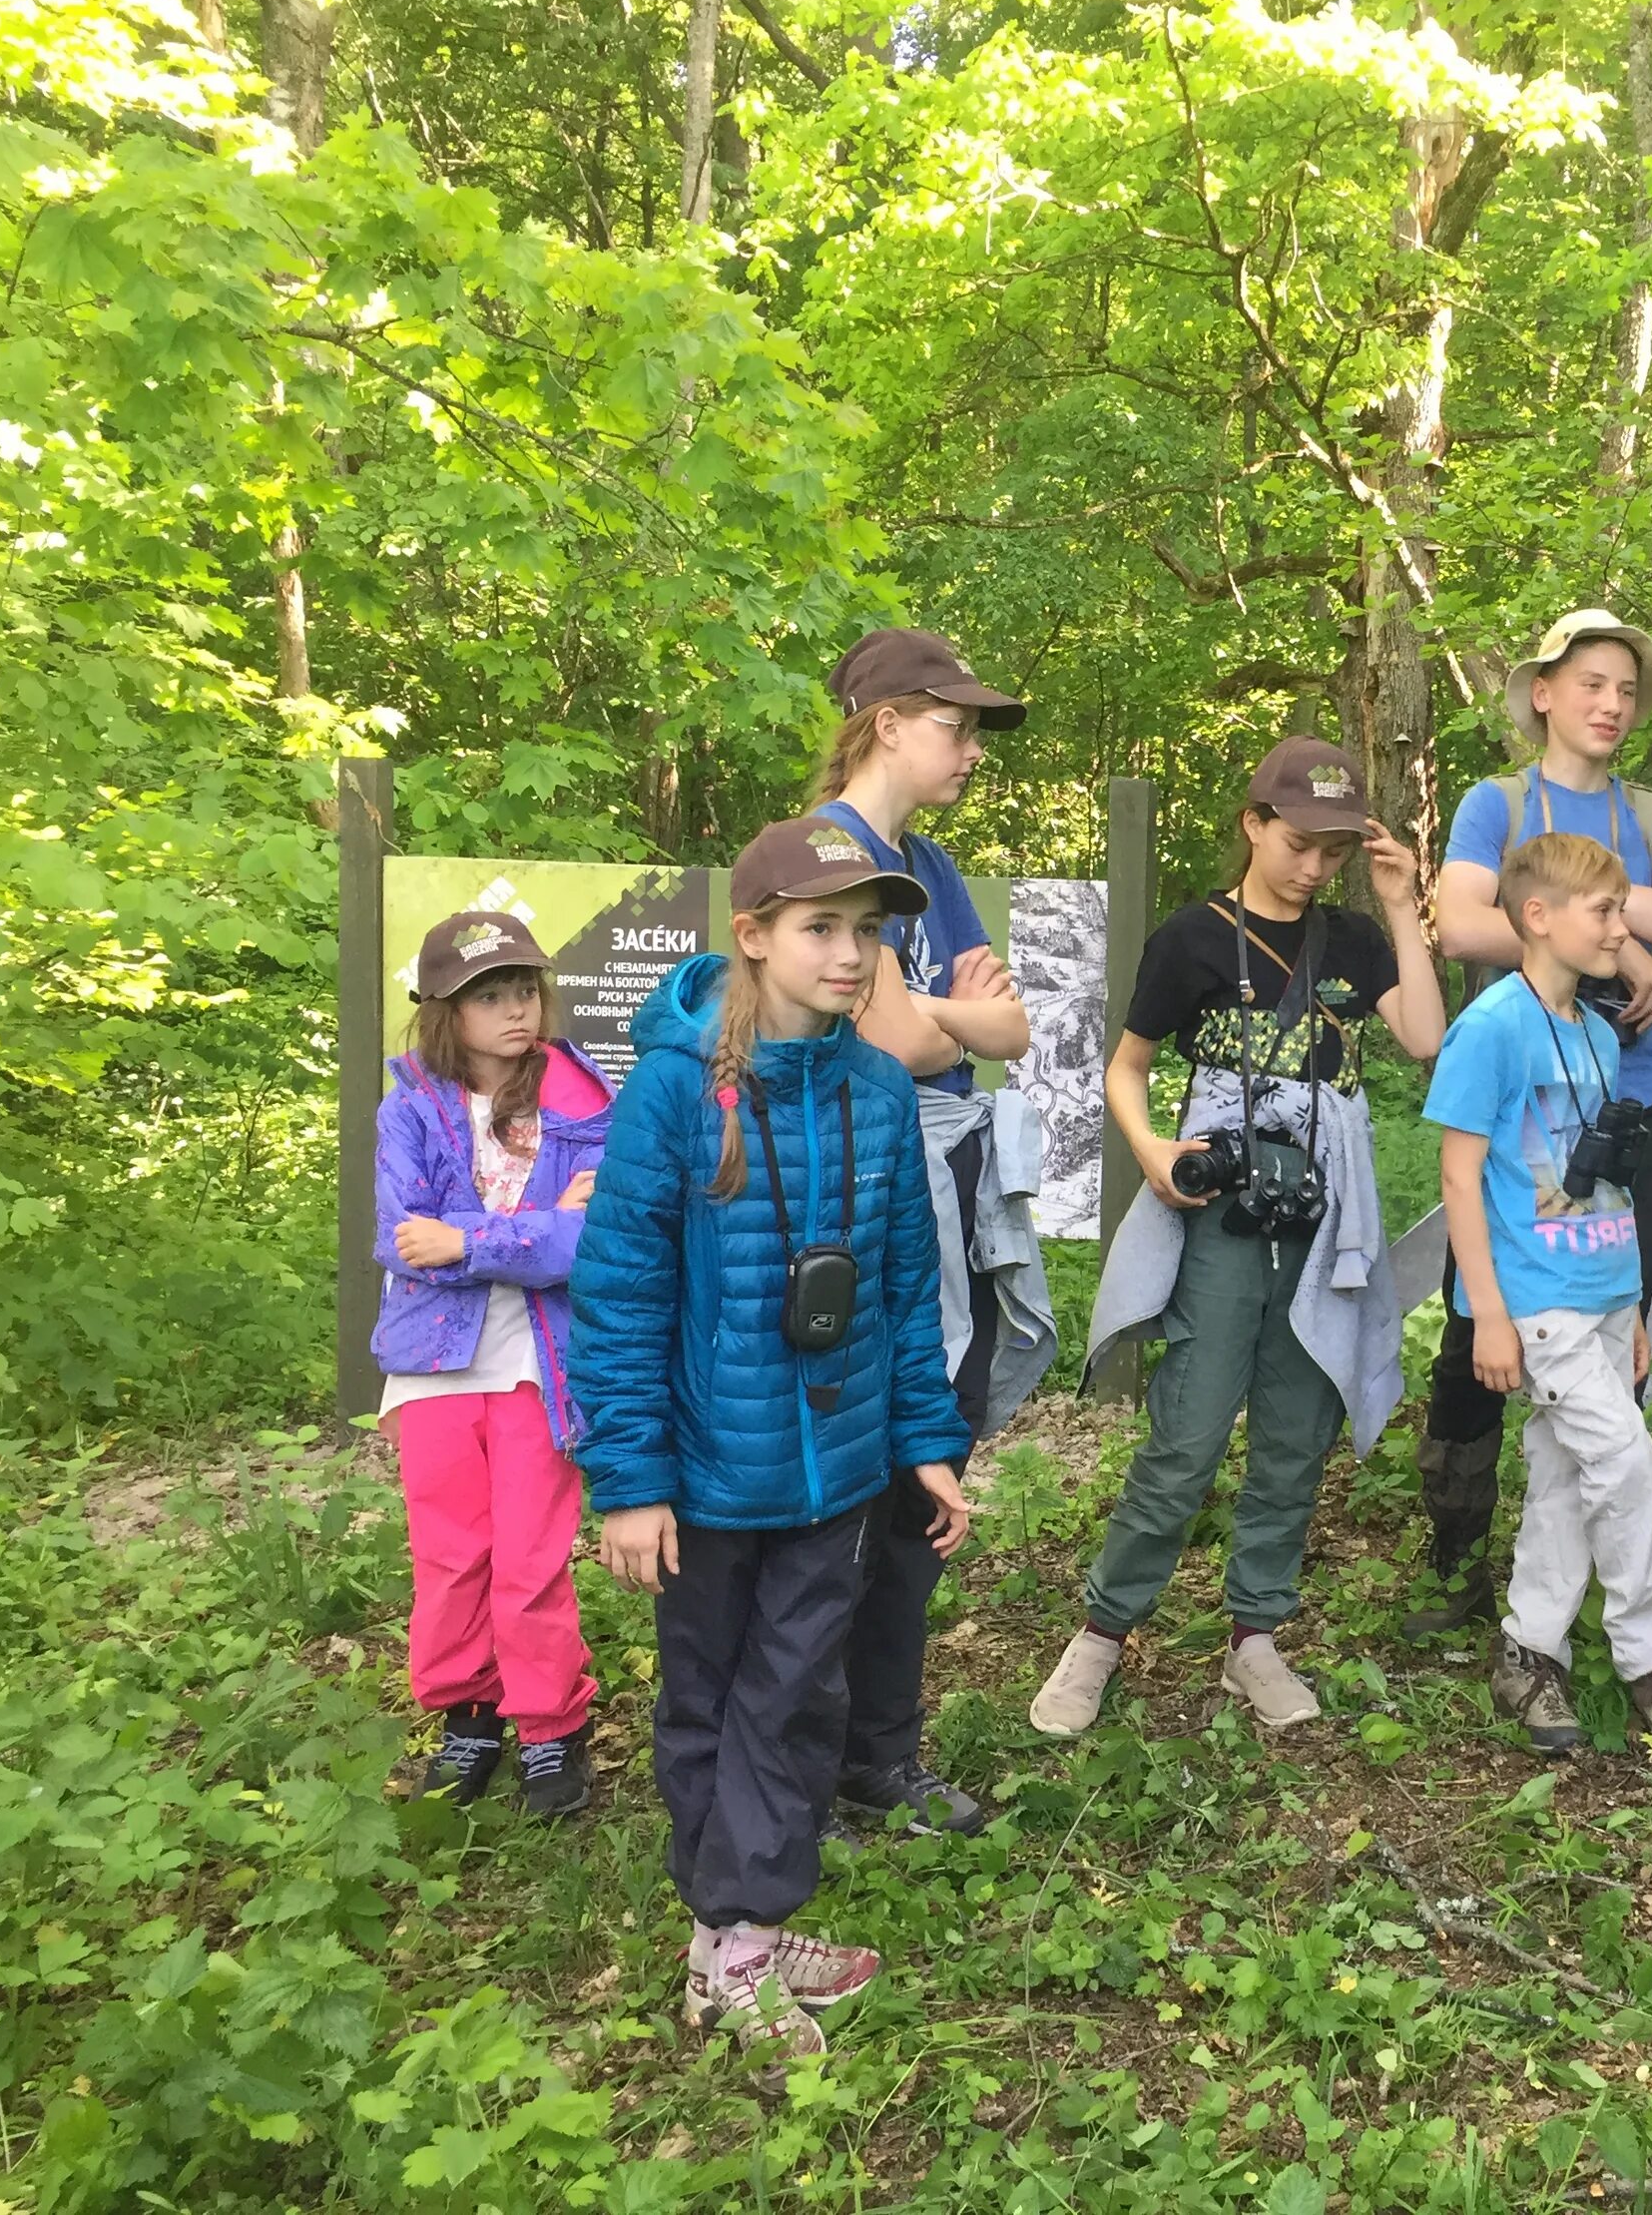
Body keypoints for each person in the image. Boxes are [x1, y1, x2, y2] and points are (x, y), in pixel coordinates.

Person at [569, 818, 974, 2063]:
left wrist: (925, 1439)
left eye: (868, 932)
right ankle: (730, 1941)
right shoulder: (673, 1092)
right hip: (704, 1473)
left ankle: (734, 1936)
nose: (852, 956)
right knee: (712, 1695)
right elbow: (622, 1292)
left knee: (800, 1691)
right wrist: (630, 1481)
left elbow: (907, 1285)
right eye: (821, 929)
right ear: (751, 937)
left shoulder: (875, 1085)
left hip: (840, 1468)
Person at [1034, 738, 1446, 1737]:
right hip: (1220, 1217)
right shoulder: (1190, 938)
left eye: (1333, 852)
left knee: (1296, 1438)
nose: (1314, 868)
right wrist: (1154, 1151)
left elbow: (1428, 1039)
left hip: (1325, 1217)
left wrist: (1399, 905)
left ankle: (1254, 1640)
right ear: (1253, 825)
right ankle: (1101, 1634)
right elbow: (1125, 1069)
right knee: (1185, 1439)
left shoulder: (1351, 940)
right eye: (1298, 843)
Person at [1408, 607, 1652, 1642]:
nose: (1612, 704)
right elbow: (1456, 919)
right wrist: (1628, 941)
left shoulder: (1648, 814)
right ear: (1541, 693)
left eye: (1628, 690)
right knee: (1479, 1322)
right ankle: (1454, 1556)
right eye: (1591, 682)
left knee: (1610, 1320)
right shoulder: (1497, 803)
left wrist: (1610, 918)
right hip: (1516, 1102)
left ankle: (1582, 1562)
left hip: (1629, 1096)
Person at [810, 628, 1059, 1842]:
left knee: (927, 1467)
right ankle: (813, 1761)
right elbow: (897, 1042)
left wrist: (943, 1020)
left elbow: (997, 1033)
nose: (971, 749)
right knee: (850, 1489)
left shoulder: (933, 863)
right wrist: (955, 1020)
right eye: (956, 725)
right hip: (854, 1214)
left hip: (942, 1201)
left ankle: (879, 1758)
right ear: (887, 721)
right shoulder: (828, 861)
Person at [1428, 831, 1652, 1762]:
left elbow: (1611, 1182)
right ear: (1538, 918)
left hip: (1600, 1288)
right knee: (1624, 1458)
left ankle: (1528, 1649)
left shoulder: (1599, 1032)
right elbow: (1460, 1178)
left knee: (1565, 1478)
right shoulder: (1492, 1029)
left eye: (1623, 908)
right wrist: (1485, 1312)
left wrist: (1631, 1305)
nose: (1622, 927)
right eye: (1604, 910)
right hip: (1539, 1301)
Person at [371, 911, 613, 1817]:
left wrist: (465, 1238)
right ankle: (467, 1716)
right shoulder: (409, 1104)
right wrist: (532, 1230)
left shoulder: (582, 1101)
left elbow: (586, 1243)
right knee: (449, 1554)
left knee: (530, 1554)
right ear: (445, 1008)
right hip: (432, 1362)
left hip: (536, 1359)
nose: (515, 1010)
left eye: (523, 990)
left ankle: (551, 1728)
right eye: (489, 995)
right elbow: (401, 1238)